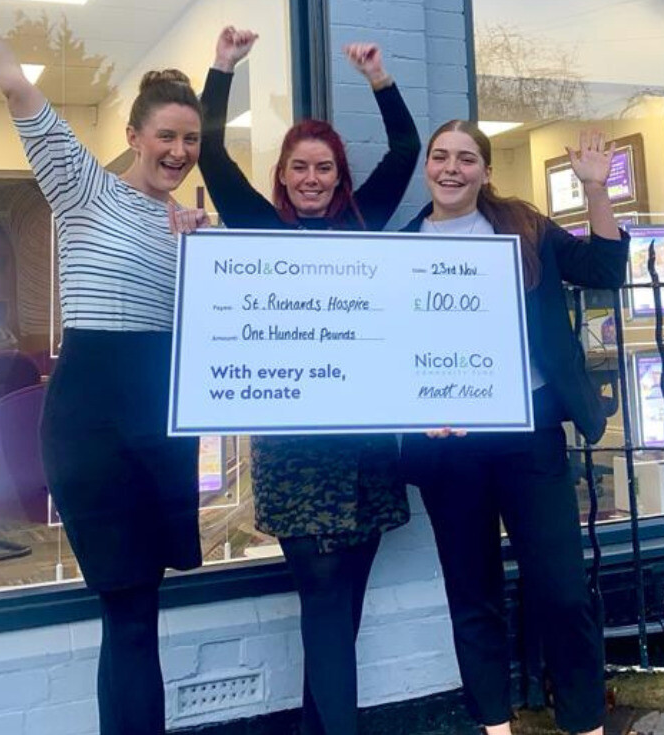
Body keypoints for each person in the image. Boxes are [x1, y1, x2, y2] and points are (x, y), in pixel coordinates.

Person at [0, 2, 204, 733]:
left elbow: (216, 344)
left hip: (164, 427)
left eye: (190, 138)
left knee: (138, 611)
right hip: (92, 424)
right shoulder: (84, 187)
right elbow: (14, 84)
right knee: (127, 608)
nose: (179, 150)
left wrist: (201, 260)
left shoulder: (196, 230)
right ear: (134, 135)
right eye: (166, 135)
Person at [172, 27, 421, 735]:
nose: (310, 180)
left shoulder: (364, 222)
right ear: (280, 176)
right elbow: (213, 154)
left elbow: (405, 150)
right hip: (296, 458)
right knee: (320, 598)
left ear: (340, 180)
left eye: (324, 170)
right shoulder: (255, 226)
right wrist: (221, 69)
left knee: (346, 611)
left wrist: (379, 78)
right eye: (298, 168)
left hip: (366, 457)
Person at [400, 120, 629, 735]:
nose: (452, 168)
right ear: (427, 166)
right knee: (472, 594)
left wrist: (596, 191)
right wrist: (419, 409)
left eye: (466, 158)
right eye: (440, 157)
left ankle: (584, 722)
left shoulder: (523, 227)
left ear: (485, 170)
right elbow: (393, 351)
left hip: (528, 431)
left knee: (560, 588)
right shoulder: (403, 245)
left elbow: (605, 269)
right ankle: (494, 725)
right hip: (451, 445)